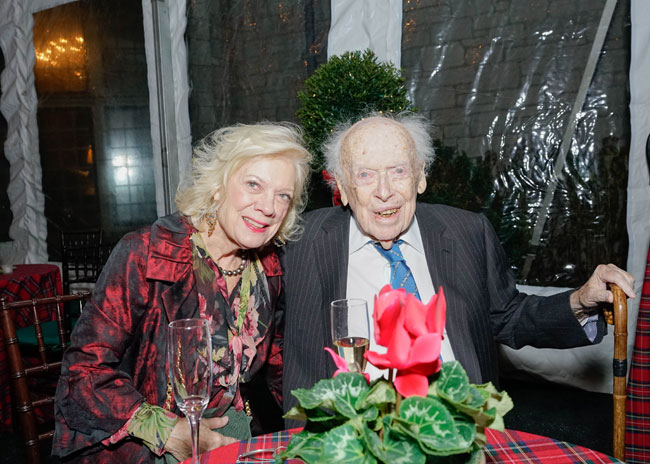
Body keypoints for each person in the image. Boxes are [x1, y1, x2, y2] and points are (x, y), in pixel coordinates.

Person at [281, 112, 636, 416]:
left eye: (398, 171)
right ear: (342, 187)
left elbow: (509, 316)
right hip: (348, 434)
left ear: (420, 176)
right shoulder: (299, 242)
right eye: (365, 175)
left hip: (458, 428)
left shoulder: (467, 232)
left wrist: (580, 300)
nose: (384, 191)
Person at [53, 122, 311, 463]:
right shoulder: (146, 254)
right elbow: (82, 373)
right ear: (217, 187)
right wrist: (164, 429)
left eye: (283, 195)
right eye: (253, 184)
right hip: (142, 446)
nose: (269, 207)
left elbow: (280, 368)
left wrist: (321, 424)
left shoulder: (268, 269)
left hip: (230, 431)